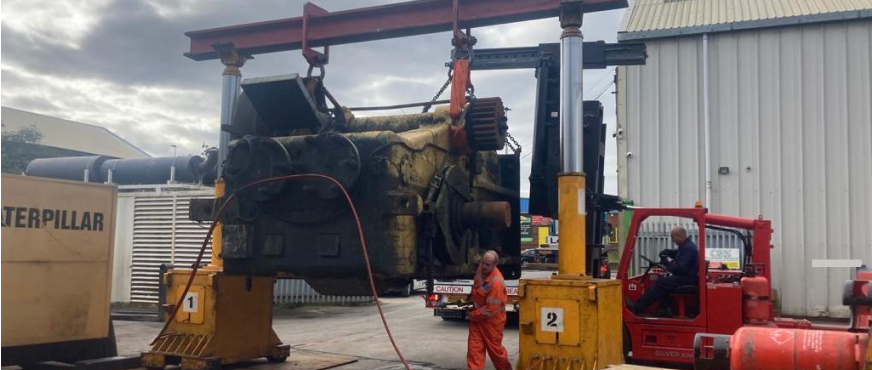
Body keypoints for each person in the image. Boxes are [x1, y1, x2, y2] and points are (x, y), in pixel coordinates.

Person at [626, 226, 699, 317]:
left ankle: (637, 307)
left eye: (673, 237)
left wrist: (666, 263)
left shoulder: (688, 248)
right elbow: (678, 254)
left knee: (659, 283)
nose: (673, 240)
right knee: (663, 281)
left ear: (679, 235)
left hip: (687, 278)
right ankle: (665, 308)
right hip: (687, 276)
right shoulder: (685, 246)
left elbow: (680, 268)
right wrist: (668, 252)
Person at [466, 250, 512, 370]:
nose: (484, 266)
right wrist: (471, 297)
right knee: (474, 351)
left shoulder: (496, 283)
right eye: (483, 262)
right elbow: (477, 285)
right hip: (478, 320)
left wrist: (472, 315)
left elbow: (490, 310)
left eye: (488, 264)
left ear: (495, 264)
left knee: (496, 352)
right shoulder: (481, 269)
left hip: (492, 323)